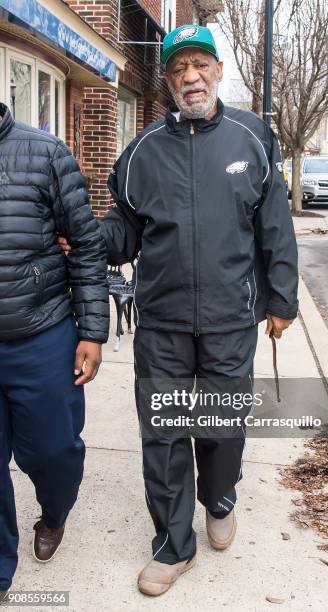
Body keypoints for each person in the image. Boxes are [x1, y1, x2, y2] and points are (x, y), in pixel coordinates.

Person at [60, 24, 299, 597]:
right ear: (166, 79)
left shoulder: (252, 138)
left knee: (220, 427)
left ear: (218, 70)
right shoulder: (142, 151)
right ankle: (172, 543)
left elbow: (275, 228)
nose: (190, 76)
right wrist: (89, 236)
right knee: (165, 433)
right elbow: (126, 231)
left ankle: (219, 497)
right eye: (178, 68)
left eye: (199, 64)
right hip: (163, 321)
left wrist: (282, 297)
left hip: (230, 317)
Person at [0, 102, 109, 600]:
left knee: (51, 451)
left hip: (40, 332)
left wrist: (92, 331)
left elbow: (87, 243)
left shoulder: (44, 153)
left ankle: (55, 511)